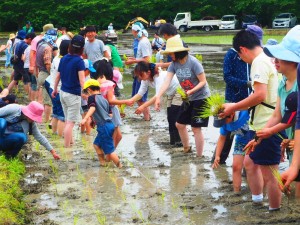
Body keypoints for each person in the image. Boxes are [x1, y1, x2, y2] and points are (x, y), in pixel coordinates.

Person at [220, 29, 280, 210]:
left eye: (239, 54)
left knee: (269, 172)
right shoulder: (266, 59)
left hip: (266, 123)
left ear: (243, 49)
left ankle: (274, 210)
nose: (240, 58)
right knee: (249, 163)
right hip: (262, 121)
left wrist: (233, 106)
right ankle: (257, 201)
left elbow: (259, 95)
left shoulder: (259, 63)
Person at [155, 36, 211, 157]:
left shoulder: (193, 62)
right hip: (188, 97)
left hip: (201, 97)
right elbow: (167, 81)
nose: (170, 55)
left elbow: (203, 81)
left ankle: (199, 156)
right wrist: (158, 96)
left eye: (171, 53)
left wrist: (191, 91)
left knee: (196, 128)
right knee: (179, 124)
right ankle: (187, 148)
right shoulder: (174, 64)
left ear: (179, 52)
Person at [211, 45, 251, 165]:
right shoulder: (231, 55)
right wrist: (246, 84)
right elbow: (227, 77)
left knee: (249, 162)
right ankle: (218, 159)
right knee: (227, 134)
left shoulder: (255, 58)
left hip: (248, 101)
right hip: (233, 98)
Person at [131, 62, 182, 146]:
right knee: (170, 117)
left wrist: (143, 106)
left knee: (174, 115)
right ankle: (173, 142)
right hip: (170, 93)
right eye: (138, 75)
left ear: (148, 72)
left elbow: (157, 95)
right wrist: (129, 101)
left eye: (140, 74)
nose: (139, 77)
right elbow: (140, 93)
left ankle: (179, 142)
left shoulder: (159, 77)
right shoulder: (145, 79)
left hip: (179, 90)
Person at [52, 35, 86, 147]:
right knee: (70, 123)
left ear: (70, 46)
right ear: (82, 48)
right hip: (73, 94)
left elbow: (58, 76)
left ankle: (71, 142)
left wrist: (55, 89)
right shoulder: (79, 61)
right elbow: (82, 80)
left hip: (63, 92)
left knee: (67, 120)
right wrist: (87, 93)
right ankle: (67, 148)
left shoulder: (64, 58)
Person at [93, 59, 133, 148]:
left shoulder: (96, 84)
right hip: (111, 111)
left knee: (114, 135)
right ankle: (109, 153)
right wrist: (125, 101)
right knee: (114, 135)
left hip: (101, 111)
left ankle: (109, 152)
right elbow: (110, 100)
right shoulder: (109, 84)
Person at [81, 79, 122, 168]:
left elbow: (92, 108)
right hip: (109, 124)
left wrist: (85, 119)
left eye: (86, 92)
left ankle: (120, 167)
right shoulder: (105, 99)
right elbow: (110, 114)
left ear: (89, 90)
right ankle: (103, 163)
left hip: (103, 126)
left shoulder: (92, 98)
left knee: (109, 150)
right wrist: (95, 119)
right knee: (96, 145)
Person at [212, 110, 250, 192]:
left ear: (232, 114)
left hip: (256, 141)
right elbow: (222, 138)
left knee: (251, 168)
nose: (223, 123)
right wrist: (217, 156)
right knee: (236, 167)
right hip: (241, 142)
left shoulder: (245, 113)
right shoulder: (224, 123)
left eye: (224, 120)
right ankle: (236, 192)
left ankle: (258, 194)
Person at [125, 22, 152, 121]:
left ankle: (147, 118)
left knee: (140, 97)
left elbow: (147, 59)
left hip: (142, 72)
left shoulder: (143, 42)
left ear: (135, 31)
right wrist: (135, 58)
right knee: (138, 96)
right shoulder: (142, 41)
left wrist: (134, 61)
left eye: (132, 30)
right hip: (139, 71)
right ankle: (147, 117)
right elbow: (142, 57)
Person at [44, 40, 70, 137]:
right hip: (58, 89)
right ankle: (60, 137)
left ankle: (55, 134)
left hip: (52, 87)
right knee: (62, 116)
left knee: (55, 112)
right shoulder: (63, 61)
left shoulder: (56, 58)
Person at [36, 28, 58, 123]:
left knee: (45, 98)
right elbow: (48, 63)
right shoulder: (48, 48)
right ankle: (46, 119)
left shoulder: (40, 44)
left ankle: (45, 117)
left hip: (41, 72)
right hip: (45, 74)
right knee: (48, 100)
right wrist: (52, 74)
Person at [80, 59, 96, 135]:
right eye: (88, 70)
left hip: (86, 102)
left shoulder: (87, 78)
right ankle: (87, 134)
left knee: (85, 117)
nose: (89, 72)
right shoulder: (83, 79)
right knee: (86, 117)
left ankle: (85, 133)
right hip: (84, 102)